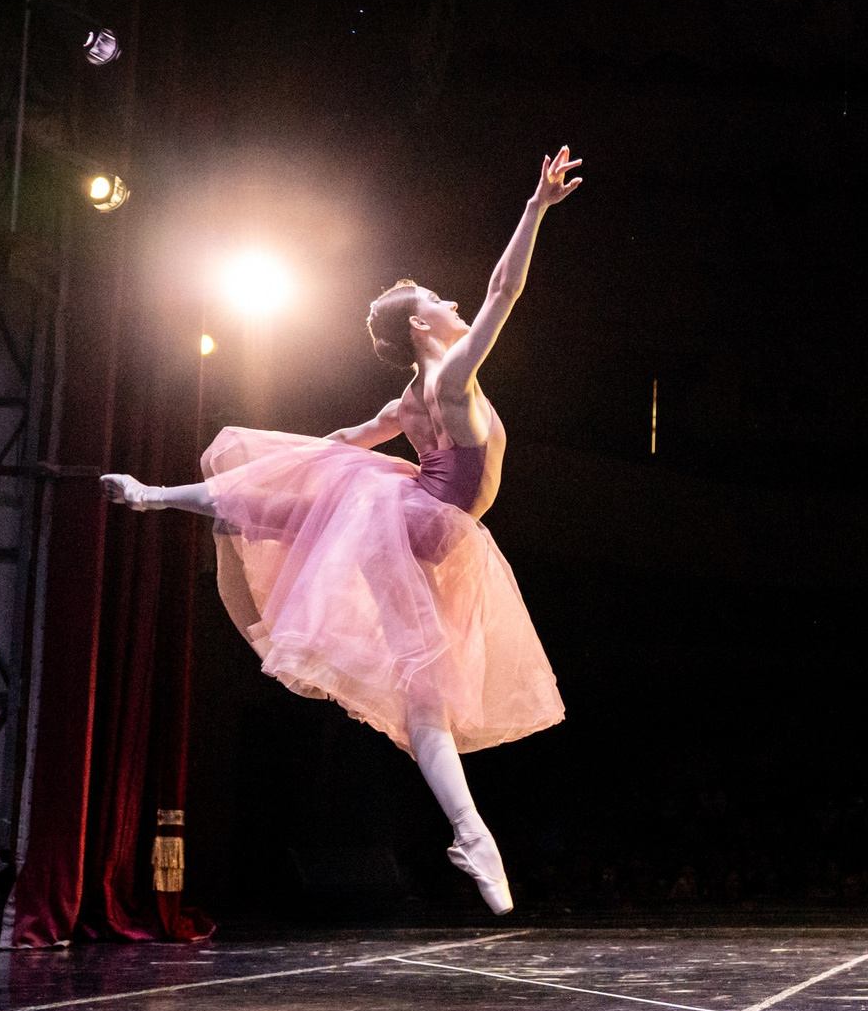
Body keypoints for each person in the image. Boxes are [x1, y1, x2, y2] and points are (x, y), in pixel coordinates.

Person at [100, 148, 584, 913]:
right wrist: (535, 207)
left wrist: (293, 480)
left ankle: (473, 834)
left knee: (420, 694)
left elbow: (339, 441)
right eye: (438, 298)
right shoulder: (453, 377)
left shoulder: (409, 399)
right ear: (426, 324)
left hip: (419, 533)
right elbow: (502, 289)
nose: (455, 301)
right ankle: (471, 832)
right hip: (429, 527)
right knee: (327, 524)